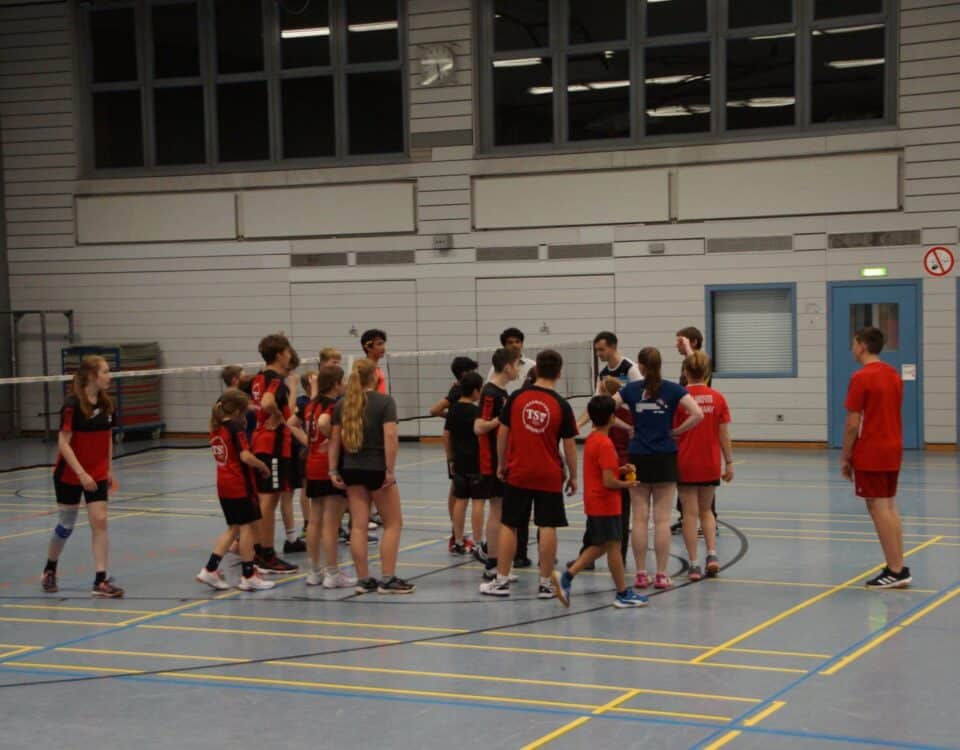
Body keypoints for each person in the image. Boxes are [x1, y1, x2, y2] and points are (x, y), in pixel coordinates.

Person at [480, 350, 578, 599]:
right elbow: (569, 444)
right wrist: (574, 475)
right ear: (558, 372)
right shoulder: (561, 404)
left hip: (520, 472)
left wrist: (501, 464)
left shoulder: (517, 397)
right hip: (549, 474)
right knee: (547, 526)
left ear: (534, 372)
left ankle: (501, 581)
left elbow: (502, 433)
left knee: (510, 524)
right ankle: (545, 584)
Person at [615, 347, 703, 590]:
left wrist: (626, 427)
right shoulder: (673, 389)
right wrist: (676, 431)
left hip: (638, 457)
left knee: (639, 519)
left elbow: (604, 409)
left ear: (641, 366)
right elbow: (697, 414)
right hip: (665, 457)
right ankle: (662, 574)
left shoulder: (631, 390)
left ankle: (641, 573)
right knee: (662, 520)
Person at [329, 358, 414, 594]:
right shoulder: (385, 402)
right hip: (376, 468)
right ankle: (387, 578)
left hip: (351, 469)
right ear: (374, 376)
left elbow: (334, 441)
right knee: (393, 523)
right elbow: (390, 437)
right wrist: (389, 469)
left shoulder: (342, 404)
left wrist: (333, 470)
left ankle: (363, 579)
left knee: (358, 526)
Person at [41, 355, 123, 598]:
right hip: (70, 473)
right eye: (106, 372)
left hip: (96, 472)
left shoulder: (107, 404)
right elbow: (63, 444)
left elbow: (107, 437)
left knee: (100, 520)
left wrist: (108, 469)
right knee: (66, 525)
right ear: (92, 376)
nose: (109, 376)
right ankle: (50, 568)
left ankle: (100, 580)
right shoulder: (72, 405)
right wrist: (81, 473)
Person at [557, 395, 648, 609]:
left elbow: (603, 472)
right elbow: (609, 482)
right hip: (606, 503)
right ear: (611, 417)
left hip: (596, 501)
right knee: (612, 546)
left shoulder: (593, 438)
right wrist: (628, 484)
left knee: (604, 546)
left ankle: (570, 577)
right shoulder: (606, 444)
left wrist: (620, 470)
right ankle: (621, 593)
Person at [841, 327, 911, 589]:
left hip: (872, 450)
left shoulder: (861, 377)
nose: (852, 349)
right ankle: (898, 566)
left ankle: (895, 570)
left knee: (878, 508)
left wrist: (845, 456)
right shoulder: (893, 374)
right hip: (893, 447)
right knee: (889, 507)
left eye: (853, 344)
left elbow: (852, 423)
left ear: (862, 346)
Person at [200, 389, 274, 592]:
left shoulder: (215, 427)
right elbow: (245, 456)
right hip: (239, 485)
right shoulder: (234, 428)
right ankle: (248, 575)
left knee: (234, 528)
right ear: (239, 411)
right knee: (247, 528)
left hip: (224, 484)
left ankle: (210, 569)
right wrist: (262, 466)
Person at [675, 352, 732, 581]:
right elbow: (723, 434)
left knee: (689, 514)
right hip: (710, 462)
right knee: (706, 510)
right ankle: (712, 555)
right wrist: (729, 462)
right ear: (707, 372)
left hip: (685, 462)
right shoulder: (718, 398)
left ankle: (694, 564)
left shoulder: (679, 398)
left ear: (685, 372)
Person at [302, 365, 356, 589]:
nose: (344, 385)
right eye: (342, 381)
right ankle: (332, 573)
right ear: (335, 384)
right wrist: (335, 438)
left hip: (312, 465)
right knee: (331, 522)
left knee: (314, 520)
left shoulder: (311, 403)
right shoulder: (334, 405)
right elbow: (325, 423)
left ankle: (314, 571)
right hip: (328, 466)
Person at [474, 348, 520, 578]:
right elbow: (479, 426)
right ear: (507, 367)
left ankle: (498, 562)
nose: (519, 369)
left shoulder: (503, 393)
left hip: (504, 459)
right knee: (496, 509)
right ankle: (492, 563)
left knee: (502, 510)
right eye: (517, 364)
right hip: (491, 461)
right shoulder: (490, 393)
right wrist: (499, 420)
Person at [430, 356, 480, 552]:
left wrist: (452, 416)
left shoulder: (458, 396)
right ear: (465, 373)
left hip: (456, 453)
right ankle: (462, 537)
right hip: (464, 452)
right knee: (465, 497)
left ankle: (457, 537)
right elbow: (434, 410)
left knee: (459, 493)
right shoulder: (458, 392)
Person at [672, 326, 717, 536]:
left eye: (681, 342)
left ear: (694, 343)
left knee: (705, 479)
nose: (677, 345)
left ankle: (707, 520)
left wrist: (688, 347)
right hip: (686, 430)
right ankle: (687, 519)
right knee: (687, 477)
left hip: (702, 425)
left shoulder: (701, 362)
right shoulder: (686, 364)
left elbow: (699, 371)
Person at [443, 371, 484, 554]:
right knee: (478, 502)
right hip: (476, 462)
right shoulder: (477, 412)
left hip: (458, 462)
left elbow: (446, 436)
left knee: (460, 501)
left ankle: (458, 541)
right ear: (476, 391)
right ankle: (477, 542)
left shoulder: (453, 410)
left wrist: (450, 457)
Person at [486, 328, 535, 392]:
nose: (514, 345)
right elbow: (489, 388)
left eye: (517, 342)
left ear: (522, 344)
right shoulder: (497, 367)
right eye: (510, 343)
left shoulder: (533, 365)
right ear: (504, 346)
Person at [361, 329, 389, 395]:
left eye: (383, 344)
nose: (383, 348)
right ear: (368, 347)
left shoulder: (376, 367)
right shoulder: (365, 369)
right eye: (379, 344)